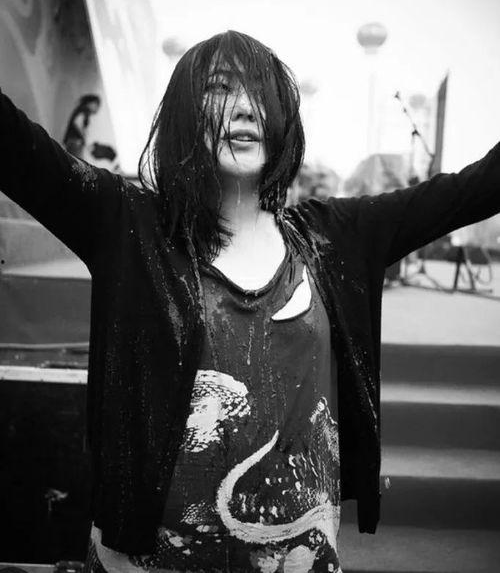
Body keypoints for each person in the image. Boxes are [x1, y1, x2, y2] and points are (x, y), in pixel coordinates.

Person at [1, 30, 499, 573]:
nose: (244, 106)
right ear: (186, 112)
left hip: (297, 556)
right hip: (144, 559)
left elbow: (473, 189)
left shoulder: (336, 237)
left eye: (261, 93)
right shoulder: (126, 224)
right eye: (220, 88)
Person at [63, 94, 101, 158]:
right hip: (75, 141)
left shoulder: (81, 109)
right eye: (97, 105)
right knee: (76, 162)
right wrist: (83, 136)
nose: (97, 108)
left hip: (72, 140)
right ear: (91, 103)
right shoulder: (85, 110)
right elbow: (77, 122)